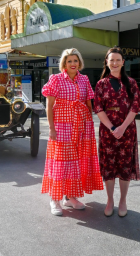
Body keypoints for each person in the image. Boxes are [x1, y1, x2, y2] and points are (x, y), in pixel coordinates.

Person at [41, 48, 104, 216]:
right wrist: (51, 128)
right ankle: (54, 199)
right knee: (60, 162)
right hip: (62, 126)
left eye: (75, 61)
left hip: (81, 126)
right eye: (69, 61)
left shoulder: (84, 80)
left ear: (79, 62)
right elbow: (49, 106)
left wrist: (89, 126)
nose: (73, 64)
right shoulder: (55, 79)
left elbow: (88, 103)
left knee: (76, 163)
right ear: (64, 63)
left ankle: (70, 198)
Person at [94, 47, 140, 217]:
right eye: (111, 60)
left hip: (127, 131)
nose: (114, 63)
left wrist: (122, 127)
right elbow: (98, 108)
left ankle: (122, 200)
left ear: (123, 62)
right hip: (107, 132)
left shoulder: (132, 83)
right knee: (109, 166)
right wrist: (113, 128)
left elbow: (135, 107)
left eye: (118, 60)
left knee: (124, 166)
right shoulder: (101, 84)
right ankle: (109, 200)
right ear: (106, 62)